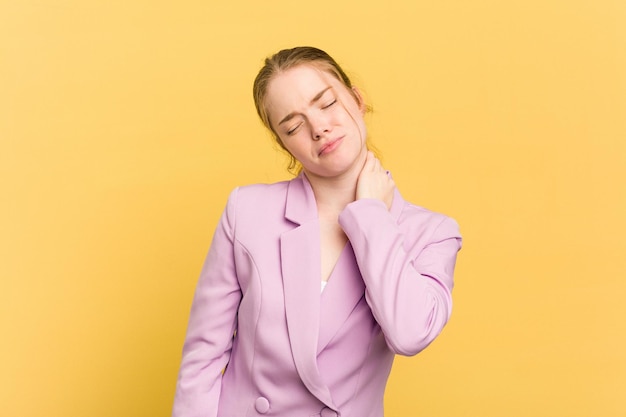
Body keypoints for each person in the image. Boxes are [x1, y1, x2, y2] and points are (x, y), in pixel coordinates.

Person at [172, 46, 462, 417]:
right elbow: (202, 359)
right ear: (284, 143)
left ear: (357, 100)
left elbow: (409, 334)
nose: (319, 128)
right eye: (293, 126)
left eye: (326, 104)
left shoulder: (431, 233)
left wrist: (371, 215)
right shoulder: (247, 211)